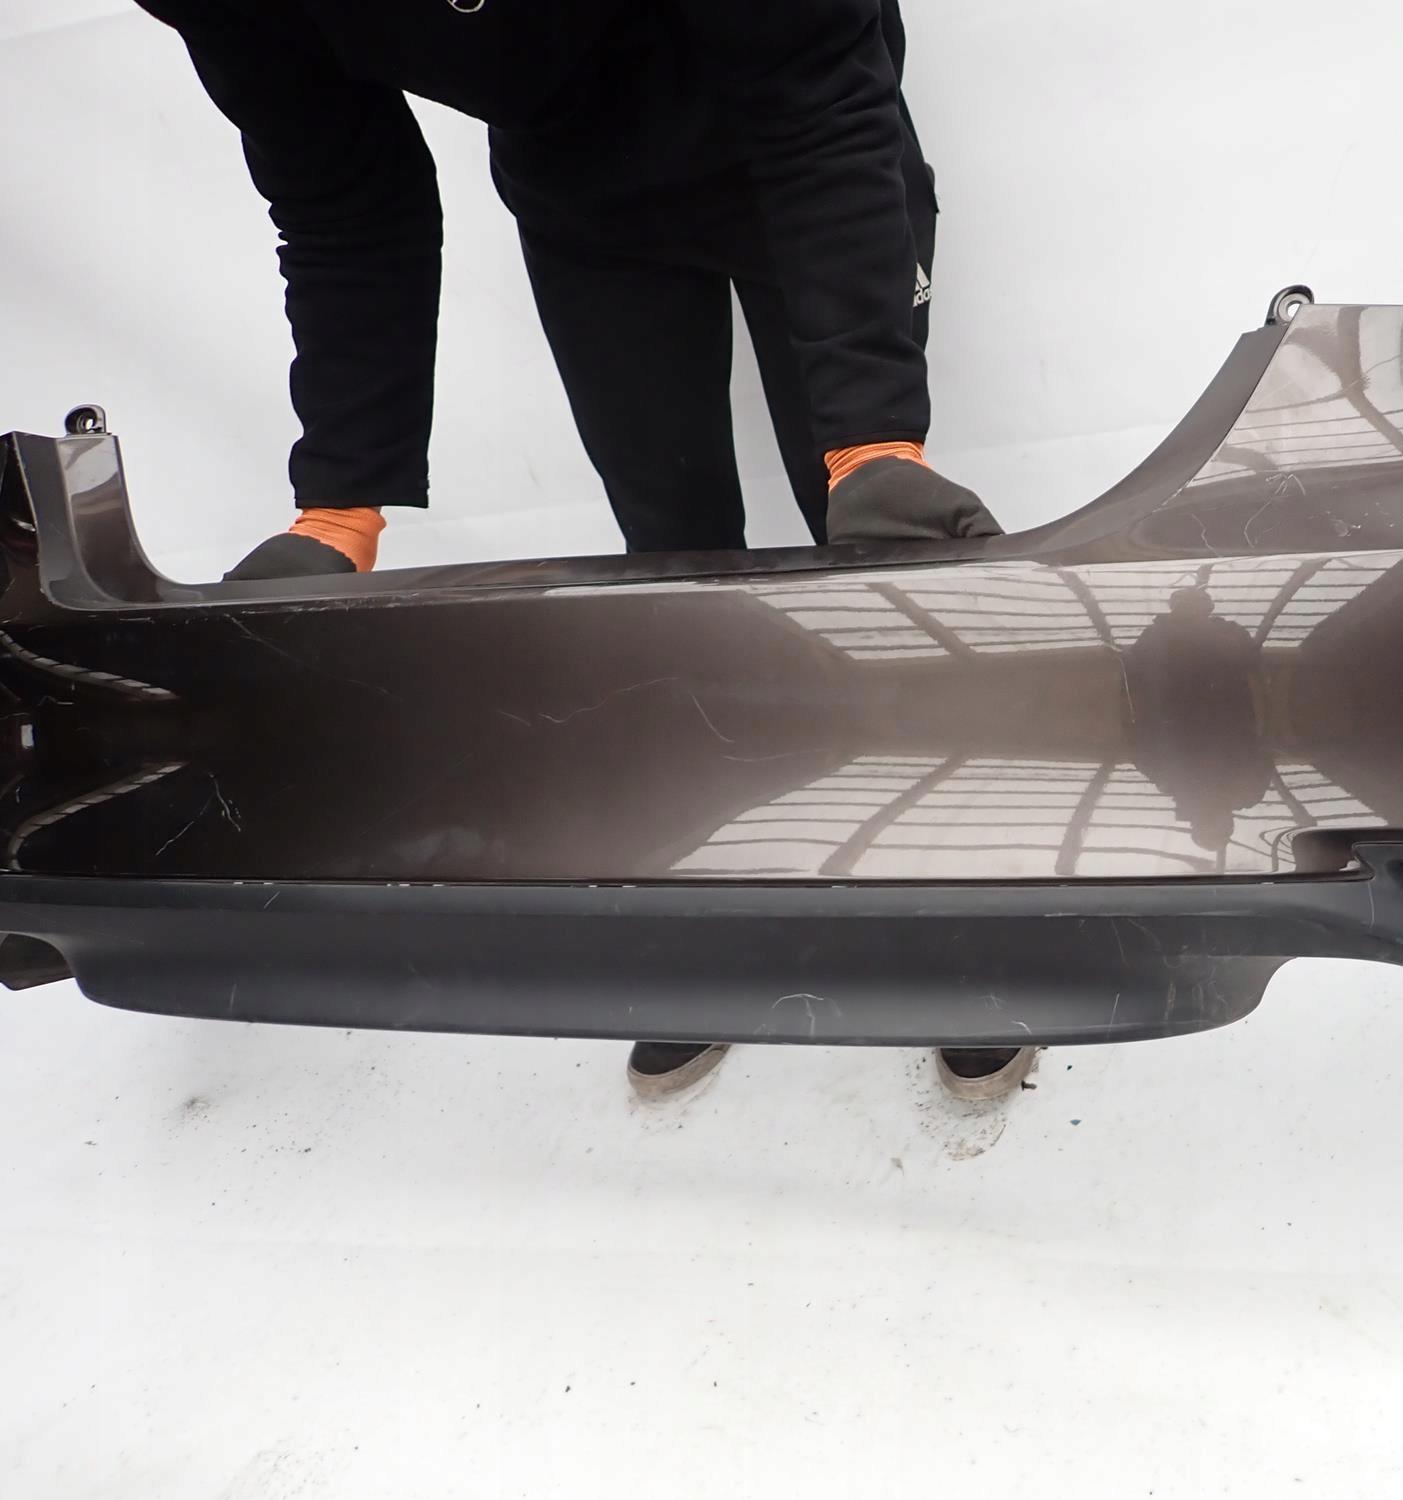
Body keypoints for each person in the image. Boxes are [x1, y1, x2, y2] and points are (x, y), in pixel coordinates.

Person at [136, 0, 1027, 1102]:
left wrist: (873, 437)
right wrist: (338, 503)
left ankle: (962, 908)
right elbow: (342, 200)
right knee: (667, 566)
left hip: (794, 119)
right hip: (585, 193)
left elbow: (818, 86)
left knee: (874, 550)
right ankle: (719, 905)